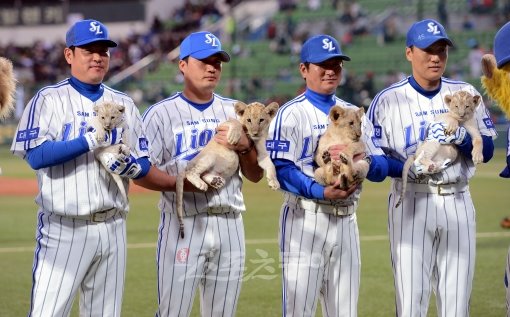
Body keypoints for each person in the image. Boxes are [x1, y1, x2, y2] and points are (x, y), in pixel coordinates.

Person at [9, 19, 165, 316]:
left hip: (113, 227)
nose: (97, 57)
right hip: (64, 229)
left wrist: (132, 167)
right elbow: (36, 155)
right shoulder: (49, 99)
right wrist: (89, 140)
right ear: (69, 55)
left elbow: (145, 161)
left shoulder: (124, 103)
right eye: (89, 50)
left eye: (103, 51)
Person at [363, 19, 496, 316]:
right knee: (411, 303)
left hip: (457, 200)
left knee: (457, 304)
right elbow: (377, 162)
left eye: (442, 50)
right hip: (411, 201)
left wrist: (461, 137)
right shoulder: (386, 100)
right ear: (409, 52)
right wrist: (404, 170)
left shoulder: (464, 92)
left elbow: (485, 150)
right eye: (428, 50)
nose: (436, 57)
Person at [135, 31, 263, 317]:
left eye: (218, 62)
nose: (212, 67)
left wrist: (245, 147)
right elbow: (141, 173)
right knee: (173, 312)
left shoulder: (234, 110)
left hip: (230, 223)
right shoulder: (160, 113)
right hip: (183, 225)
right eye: (204, 60)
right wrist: (182, 184)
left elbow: (255, 175)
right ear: (183, 64)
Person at [267, 34, 380, 317]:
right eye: (322, 64)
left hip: (346, 219)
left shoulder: (353, 113)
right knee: (299, 310)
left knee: (345, 312)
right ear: (304, 69)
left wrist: (362, 166)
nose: (331, 70)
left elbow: (376, 162)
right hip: (305, 218)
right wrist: (322, 191)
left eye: (336, 64)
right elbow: (283, 169)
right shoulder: (290, 113)